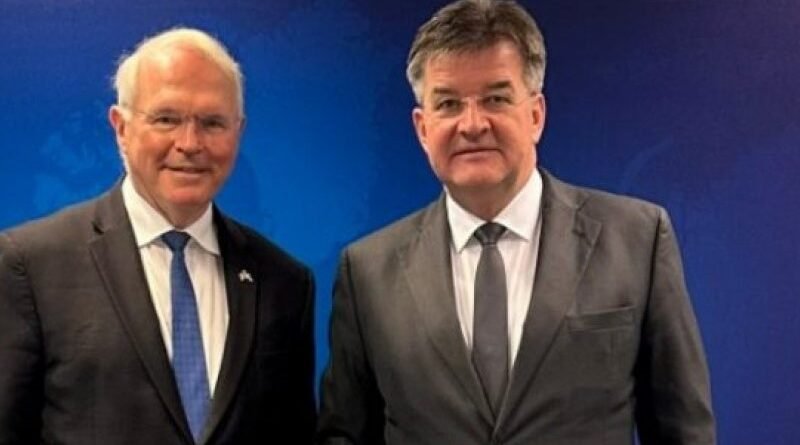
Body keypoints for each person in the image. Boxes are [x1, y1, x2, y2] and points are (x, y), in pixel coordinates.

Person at [317, 0, 715, 443]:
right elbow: (344, 435)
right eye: (448, 103)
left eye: (496, 98)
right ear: (422, 128)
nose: (472, 124)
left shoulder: (637, 241)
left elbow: (684, 432)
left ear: (536, 115)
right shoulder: (367, 273)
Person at [0, 28, 315, 444]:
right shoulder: (30, 265)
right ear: (121, 128)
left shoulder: (284, 282)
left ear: (238, 131)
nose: (190, 143)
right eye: (166, 119)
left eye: (212, 123)